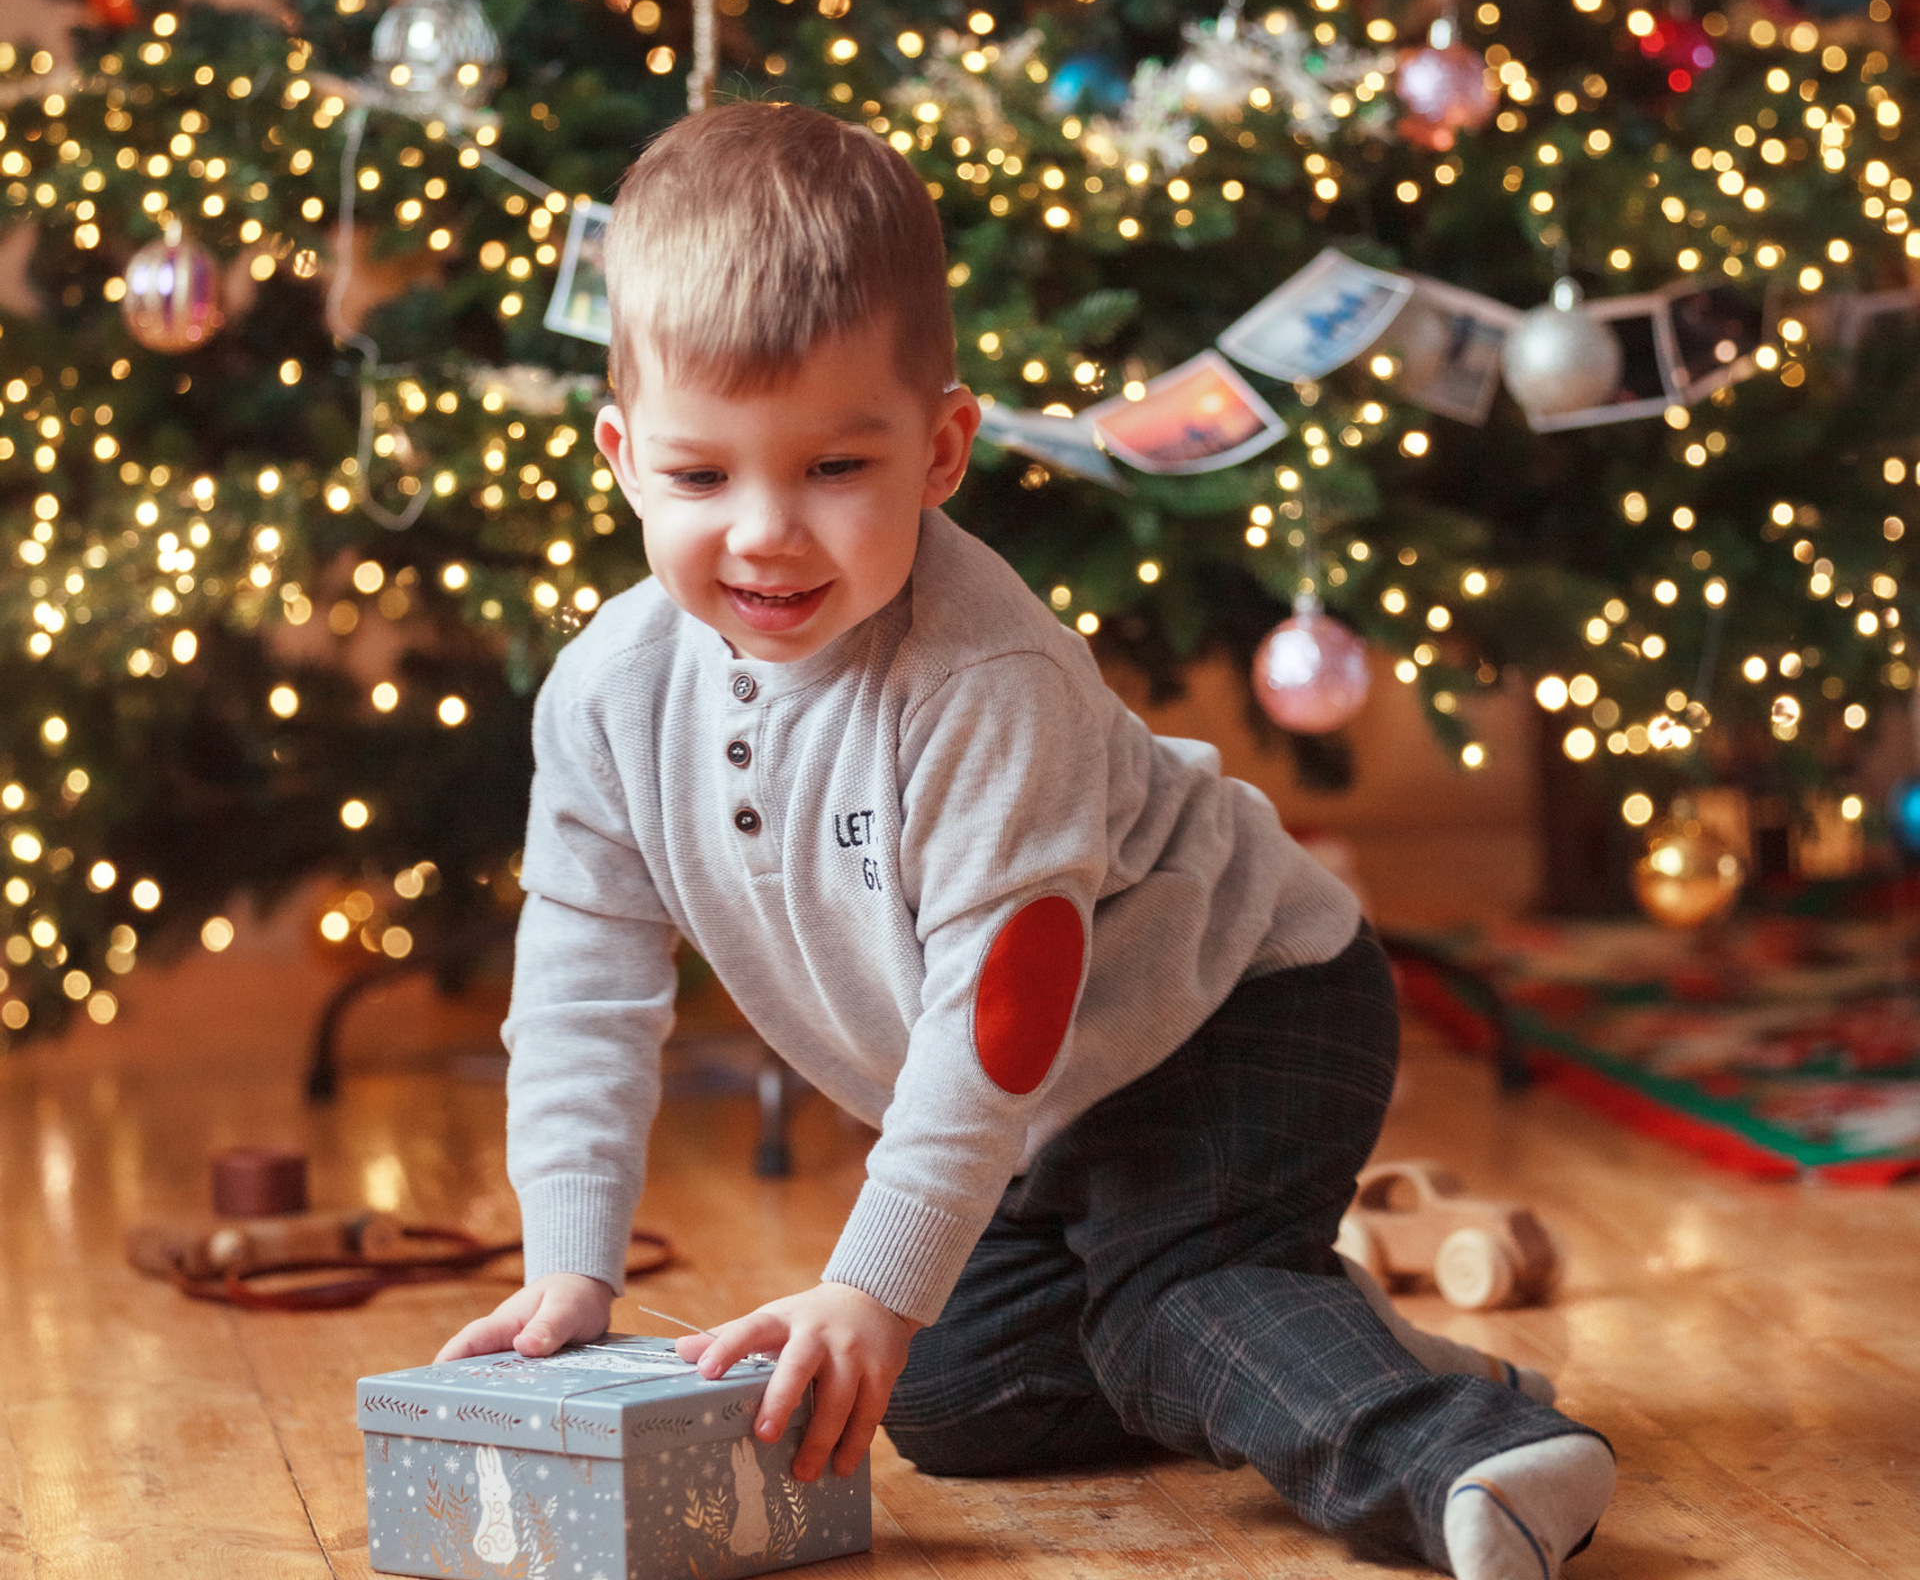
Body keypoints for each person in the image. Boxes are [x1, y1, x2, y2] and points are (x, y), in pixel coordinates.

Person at [434, 101, 1614, 1578]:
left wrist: (869, 1277)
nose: (766, 532)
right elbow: (583, 987)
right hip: (1053, 1095)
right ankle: (1318, 1334)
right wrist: (570, 1266)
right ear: (621, 456)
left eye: (835, 469)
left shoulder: (987, 682)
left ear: (940, 451)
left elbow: (999, 1019)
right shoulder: (611, 696)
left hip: (1239, 1006)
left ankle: (1468, 1456)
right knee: (949, 1395)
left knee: (1159, 1295)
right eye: (699, 476)